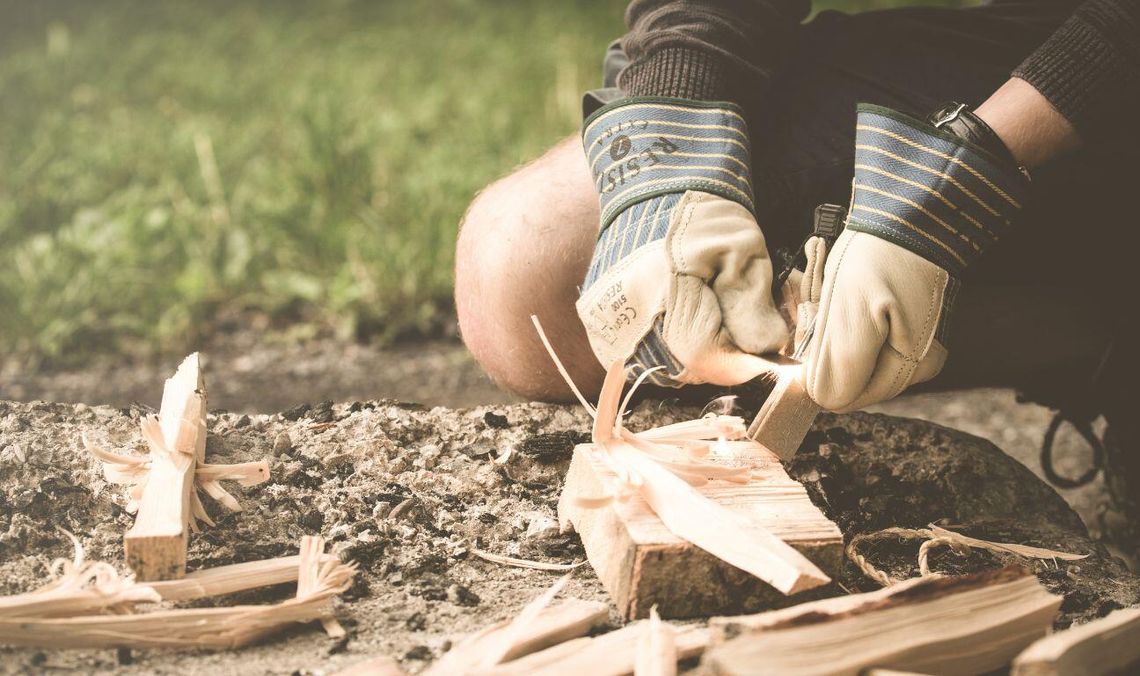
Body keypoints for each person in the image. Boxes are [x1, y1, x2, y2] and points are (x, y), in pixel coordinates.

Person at [455, 0, 1138, 542]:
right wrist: (669, 152)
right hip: (1042, 33)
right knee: (524, 271)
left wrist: (968, 172)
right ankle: (1088, 340)